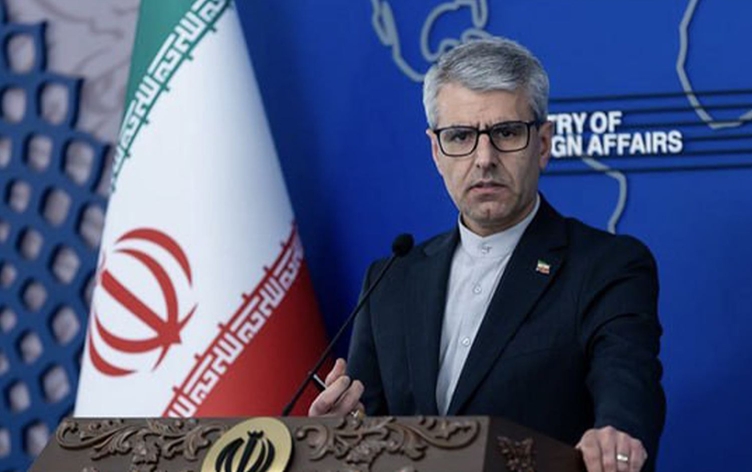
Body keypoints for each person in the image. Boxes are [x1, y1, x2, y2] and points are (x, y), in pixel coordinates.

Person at [309, 37, 665, 472]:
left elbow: (628, 386)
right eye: (460, 136)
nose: (484, 159)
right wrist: (343, 433)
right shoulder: (391, 279)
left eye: (506, 133)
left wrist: (616, 434)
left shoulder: (606, 267)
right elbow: (369, 428)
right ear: (436, 151)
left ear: (543, 143)